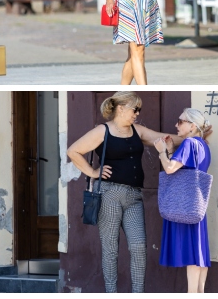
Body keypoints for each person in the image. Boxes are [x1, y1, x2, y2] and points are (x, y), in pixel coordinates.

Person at [65, 92, 171, 293]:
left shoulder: (137, 130)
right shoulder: (102, 131)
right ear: (121, 108)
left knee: (139, 248)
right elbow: (73, 151)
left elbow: (164, 139)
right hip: (109, 194)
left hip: (134, 197)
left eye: (138, 109)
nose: (137, 113)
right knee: (110, 249)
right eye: (135, 109)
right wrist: (93, 172)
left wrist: (192, 136)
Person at [154, 108, 214, 293]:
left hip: (183, 206)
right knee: (198, 252)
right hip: (195, 206)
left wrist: (162, 152)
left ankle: (191, 293)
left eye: (180, 121)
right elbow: (185, 168)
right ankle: (199, 292)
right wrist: (172, 150)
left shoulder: (189, 143)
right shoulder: (203, 145)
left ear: (192, 126)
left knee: (190, 254)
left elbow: (171, 169)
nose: (176, 125)